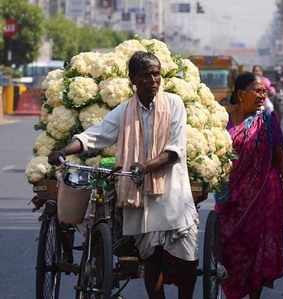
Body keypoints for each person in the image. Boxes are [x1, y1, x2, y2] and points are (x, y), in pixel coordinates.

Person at [49, 52, 199, 299]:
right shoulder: (124, 111)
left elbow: (174, 151)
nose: (153, 80)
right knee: (151, 260)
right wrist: (64, 150)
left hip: (172, 195)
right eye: (146, 75)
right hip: (139, 198)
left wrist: (146, 166)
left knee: (186, 261)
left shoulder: (174, 104)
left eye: (156, 74)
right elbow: (96, 135)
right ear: (133, 79)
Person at [217, 72, 283, 299]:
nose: (263, 95)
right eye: (258, 91)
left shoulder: (269, 121)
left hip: (265, 195)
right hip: (230, 195)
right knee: (230, 247)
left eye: (264, 91)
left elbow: (281, 157)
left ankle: (255, 295)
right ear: (241, 94)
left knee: (258, 250)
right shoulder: (222, 118)